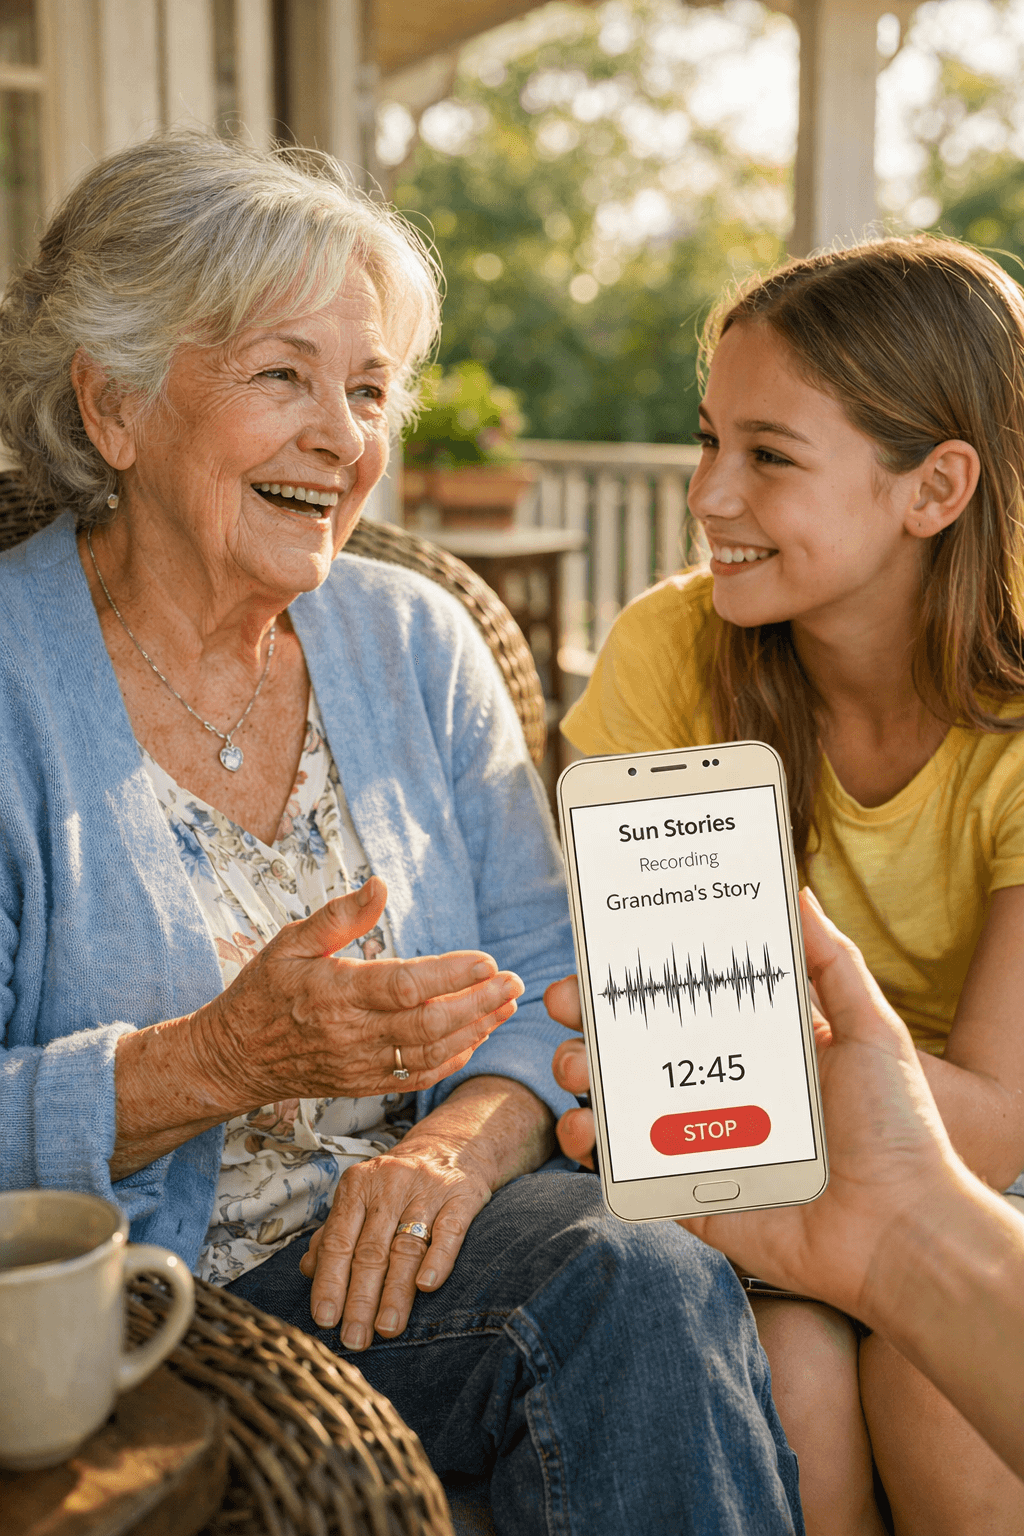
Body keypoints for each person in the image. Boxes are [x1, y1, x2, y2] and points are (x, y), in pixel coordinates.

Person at [0, 130, 806, 1535]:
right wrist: (213, 1063)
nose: (343, 436)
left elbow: (548, 983)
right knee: (631, 1279)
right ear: (113, 404)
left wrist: (462, 1145)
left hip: (434, 1259)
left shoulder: (414, 640)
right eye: (281, 375)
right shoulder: (13, 683)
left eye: (369, 389)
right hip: (144, 1309)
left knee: (644, 1269)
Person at [560, 236, 1024, 1536]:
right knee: (793, 1376)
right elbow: (658, 1051)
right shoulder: (673, 648)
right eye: (708, 438)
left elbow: (1004, 1121)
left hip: (964, 1176)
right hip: (780, 1165)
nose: (707, 494)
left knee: (936, 1388)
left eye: (768, 455)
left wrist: (736, 1067)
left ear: (934, 488)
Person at [548, 890, 1024, 1486]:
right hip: (802, 1215)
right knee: (795, 1374)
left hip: (914, 1193)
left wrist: (903, 1226)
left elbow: (1002, 1129)